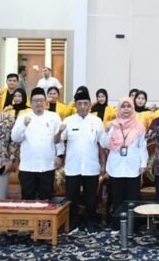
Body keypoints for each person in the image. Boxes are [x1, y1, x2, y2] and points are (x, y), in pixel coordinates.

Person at [55, 88, 105, 234]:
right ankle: (73, 223)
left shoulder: (97, 121)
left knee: (91, 198)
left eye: (85, 103)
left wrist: (103, 163)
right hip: (73, 167)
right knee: (72, 198)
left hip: (91, 166)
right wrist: (59, 131)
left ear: (90, 104)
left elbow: (101, 144)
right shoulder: (68, 121)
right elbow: (56, 141)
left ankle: (90, 223)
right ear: (75, 105)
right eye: (79, 103)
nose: (82, 106)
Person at [101, 97, 147, 230]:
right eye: (123, 106)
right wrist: (106, 131)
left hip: (133, 167)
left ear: (133, 108)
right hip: (116, 167)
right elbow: (104, 144)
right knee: (117, 199)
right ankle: (117, 226)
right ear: (119, 109)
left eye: (129, 106)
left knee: (132, 199)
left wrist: (143, 164)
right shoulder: (112, 125)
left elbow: (142, 147)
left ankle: (132, 227)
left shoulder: (139, 127)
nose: (126, 109)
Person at [11, 87, 65, 200]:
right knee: (28, 201)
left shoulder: (53, 116)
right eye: (36, 101)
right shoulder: (23, 117)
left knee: (46, 200)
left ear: (45, 102)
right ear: (31, 103)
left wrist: (60, 155)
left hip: (47, 166)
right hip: (28, 167)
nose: (39, 103)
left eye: (41, 100)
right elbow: (15, 138)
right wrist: (24, 125)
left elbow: (59, 138)